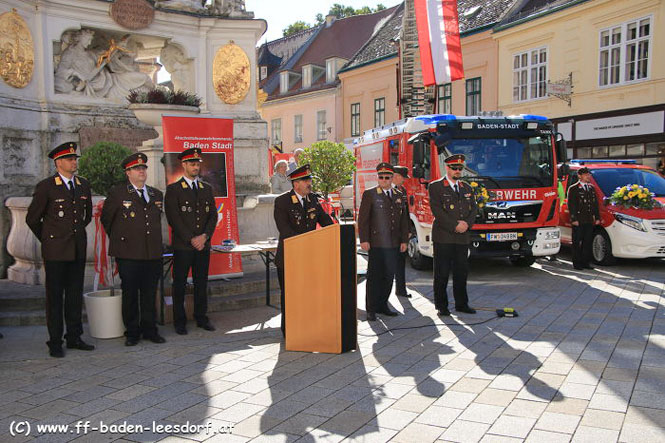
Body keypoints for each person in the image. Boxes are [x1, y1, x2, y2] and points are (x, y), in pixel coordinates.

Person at [26, 141, 94, 358]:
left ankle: (74, 336)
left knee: (74, 295)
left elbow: (87, 215)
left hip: (77, 249)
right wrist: (49, 239)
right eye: (69, 159)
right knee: (55, 297)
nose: (74, 162)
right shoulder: (47, 186)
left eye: (75, 158)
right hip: (55, 251)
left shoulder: (83, 185)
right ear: (58, 162)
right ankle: (55, 340)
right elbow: (32, 219)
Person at [101, 153, 166, 346]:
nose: (142, 171)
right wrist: (123, 240)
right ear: (127, 172)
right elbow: (107, 220)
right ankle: (132, 331)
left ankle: (150, 329)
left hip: (152, 253)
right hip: (128, 253)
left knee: (149, 292)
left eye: (144, 168)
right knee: (130, 293)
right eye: (137, 169)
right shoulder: (118, 193)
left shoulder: (156, 194)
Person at [273, 164, 334, 336]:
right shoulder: (282, 201)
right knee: (290, 296)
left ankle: (307, 326)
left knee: (308, 295)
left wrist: (337, 231)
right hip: (290, 258)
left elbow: (326, 221)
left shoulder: (313, 200)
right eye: (306, 180)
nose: (310, 183)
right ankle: (290, 331)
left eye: (310, 179)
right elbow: (284, 230)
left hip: (309, 258)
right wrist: (307, 243)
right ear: (296, 183)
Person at [164, 148, 218, 335]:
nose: (196, 167)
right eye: (192, 164)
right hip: (183, 246)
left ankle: (201, 316)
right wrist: (191, 238)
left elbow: (213, 216)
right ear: (184, 165)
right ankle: (180, 320)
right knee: (179, 283)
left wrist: (204, 237)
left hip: (203, 244)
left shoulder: (206, 188)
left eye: (197, 164)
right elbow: (174, 218)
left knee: (201, 282)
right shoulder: (174, 189)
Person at [358, 163, 409, 321]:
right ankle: (371, 309)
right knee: (374, 277)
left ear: (392, 178)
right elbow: (363, 220)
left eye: (387, 177)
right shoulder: (370, 194)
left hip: (393, 242)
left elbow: (404, 220)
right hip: (377, 242)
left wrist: (404, 240)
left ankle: (383, 305)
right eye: (381, 177)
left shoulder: (398, 194)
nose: (384, 180)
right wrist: (364, 239)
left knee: (388, 276)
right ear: (378, 178)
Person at [429, 154, 478, 316]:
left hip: (462, 237)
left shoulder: (466, 188)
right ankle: (441, 306)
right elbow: (437, 211)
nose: (458, 171)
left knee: (461, 272)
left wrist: (467, 224)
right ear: (447, 168)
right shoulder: (436, 187)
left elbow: (473, 209)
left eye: (460, 168)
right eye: (455, 168)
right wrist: (455, 225)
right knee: (442, 273)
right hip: (444, 236)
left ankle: (461, 304)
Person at [567, 167, 600, 270]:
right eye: (586, 175)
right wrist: (574, 219)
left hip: (589, 219)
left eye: (588, 174)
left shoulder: (591, 188)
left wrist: (597, 217)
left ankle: (586, 262)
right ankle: (577, 263)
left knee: (587, 241)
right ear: (579, 176)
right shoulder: (574, 188)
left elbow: (594, 204)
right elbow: (571, 205)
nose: (588, 176)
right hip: (579, 219)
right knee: (577, 242)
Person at [392, 166, 413, 298]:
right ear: (396, 176)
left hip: (401, 233)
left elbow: (406, 213)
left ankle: (401, 289)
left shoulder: (403, 190)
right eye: (403, 178)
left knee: (401, 261)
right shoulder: (388, 190)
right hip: (390, 234)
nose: (404, 181)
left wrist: (408, 230)